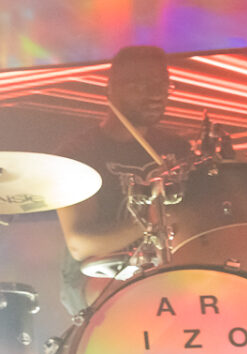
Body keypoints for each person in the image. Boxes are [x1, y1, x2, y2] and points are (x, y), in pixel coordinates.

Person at [56, 45, 188, 313]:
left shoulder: (177, 149)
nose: (156, 94)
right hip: (99, 272)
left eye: (162, 85)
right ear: (111, 89)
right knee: (140, 302)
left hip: (166, 267)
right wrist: (155, 220)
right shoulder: (78, 154)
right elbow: (81, 244)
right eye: (141, 85)